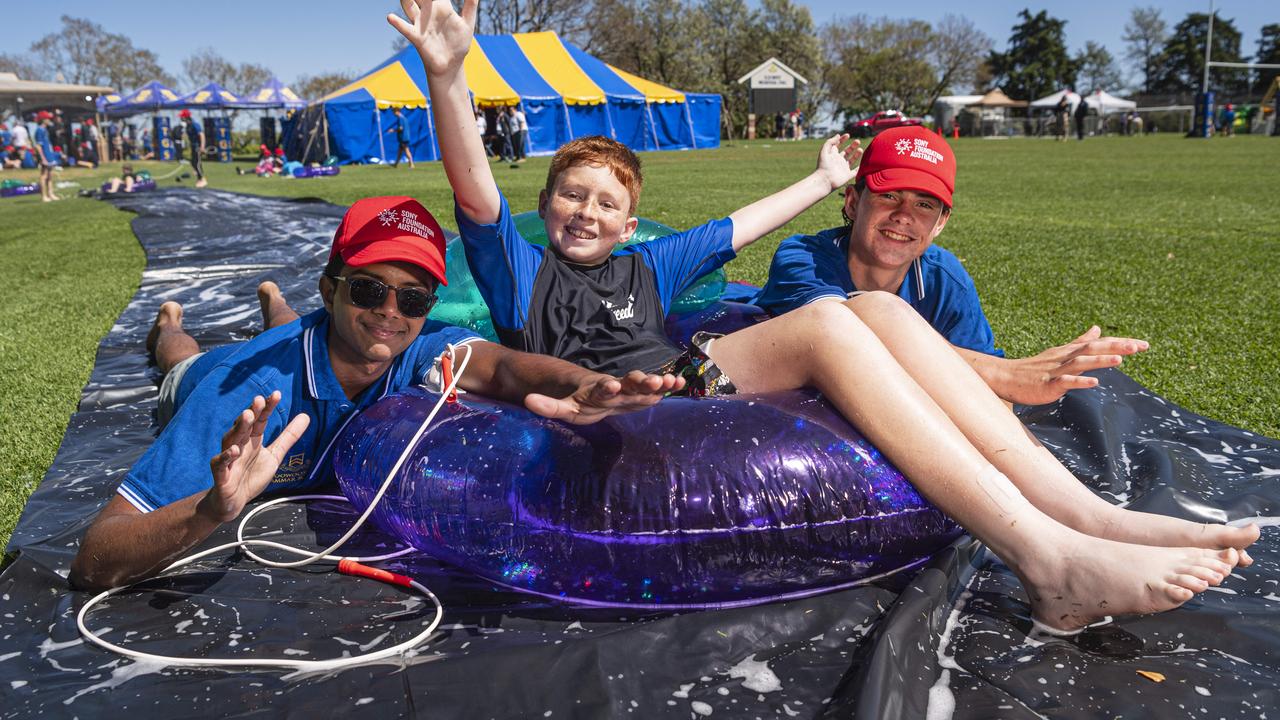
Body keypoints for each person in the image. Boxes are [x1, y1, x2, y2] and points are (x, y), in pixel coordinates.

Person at [393, 0, 1258, 635]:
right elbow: (472, 186)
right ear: (543, 204)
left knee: (875, 302)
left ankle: (1090, 517)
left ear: (629, 219)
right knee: (832, 321)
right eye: (570, 197)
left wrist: (819, 182)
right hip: (636, 399)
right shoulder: (518, 272)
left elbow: (741, 226)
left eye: (606, 201)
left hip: (692, 371)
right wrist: (447, 74)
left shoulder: (647, 264)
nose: (586, 212)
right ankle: (1047, 561)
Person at [69, 195, 684, 591]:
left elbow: (506, 370)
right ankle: (169, 323)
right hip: (212, 377)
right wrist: (211, 511)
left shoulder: (417, 344)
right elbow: (93, 558)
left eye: (413, 299)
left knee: (314, 332)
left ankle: (272, 303)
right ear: (331, 285)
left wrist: (582, 383)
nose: (391, 311)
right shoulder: (243, 397)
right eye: (367, 289)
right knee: (186, 362)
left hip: (307, 338)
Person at [754, 125, 1159, 406]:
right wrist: (1006, 373)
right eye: (889, 195)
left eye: (924, 204)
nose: (903, 216)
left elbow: (986, 390)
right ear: (853, 202)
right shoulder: (803, 258)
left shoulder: (945, 280)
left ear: (941, 223)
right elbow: (845, 341)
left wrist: (1003, 379)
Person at [31, 111, 58, 202]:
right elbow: (38, 146)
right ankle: (44, 195)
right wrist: (42, 158)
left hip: (49, 153)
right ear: (43, 120)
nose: (49, 120)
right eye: (47, 118)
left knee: (50, 175)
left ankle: (51, 193)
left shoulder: (45, 130)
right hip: (44, 155)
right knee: (44, 175)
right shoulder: (39, 130)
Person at [178, 110, 207, 188]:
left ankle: (202, 180)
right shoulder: (188, 126)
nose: (180, 118)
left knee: (197, 163)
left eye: (182, 117)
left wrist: (202, 147)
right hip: (193, 146)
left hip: (197, 146)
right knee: (193, 162)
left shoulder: (195, 124)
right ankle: (199, 177)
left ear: (186, 117)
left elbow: (201, 135)